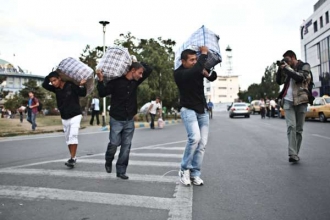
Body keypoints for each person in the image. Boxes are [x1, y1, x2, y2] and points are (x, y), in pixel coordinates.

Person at [96, 62, 152, 180]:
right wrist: (100, 80)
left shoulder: (135, 82)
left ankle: (121, 171)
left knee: (126, 146)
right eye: (139, 73)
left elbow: (149, 69)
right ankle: (108, 159)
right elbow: (102, 93)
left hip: (129, 119)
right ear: (132, 71)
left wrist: (136, 61)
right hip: (116, 118)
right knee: (114, 143)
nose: (141, 75)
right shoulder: (116, 82)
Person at [174, 46, 217, 186]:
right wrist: (204, 54)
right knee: (195, 138)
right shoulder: (178, 74)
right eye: (191, 60)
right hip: (188, 109)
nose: (194, 62)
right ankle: (184, 170)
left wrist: (208, 73)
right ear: (183, 61)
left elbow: (212, 77)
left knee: (202, 144)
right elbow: (192, 73)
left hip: (202, 109)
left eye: (195, 59)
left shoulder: (197, 70)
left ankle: (195, 174)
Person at [42, 71, 87, 168]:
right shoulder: (56, 89)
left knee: (73, 136)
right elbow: (44, 85)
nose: (53, 83)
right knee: (68, 139)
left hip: (75, 114)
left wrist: (82, 85)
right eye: (52, 81)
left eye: (54, 80)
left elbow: (82, 93)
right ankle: (73, 158)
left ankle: (72, 158)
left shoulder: (70, 85)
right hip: (64, 116)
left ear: (59, 78)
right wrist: (49, 74)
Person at [276, 50, 311, 163]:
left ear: (292, 57)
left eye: (287, 59)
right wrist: (280, 69)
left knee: (299, 129)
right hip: (288, 101)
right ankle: (292, 153)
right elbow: (279, 81)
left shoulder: (304, 66)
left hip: (301, 100)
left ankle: (295, 152)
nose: (286, 62)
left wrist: (286, 68)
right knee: (291, 126)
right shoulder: (286, 68)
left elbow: (300, 78)